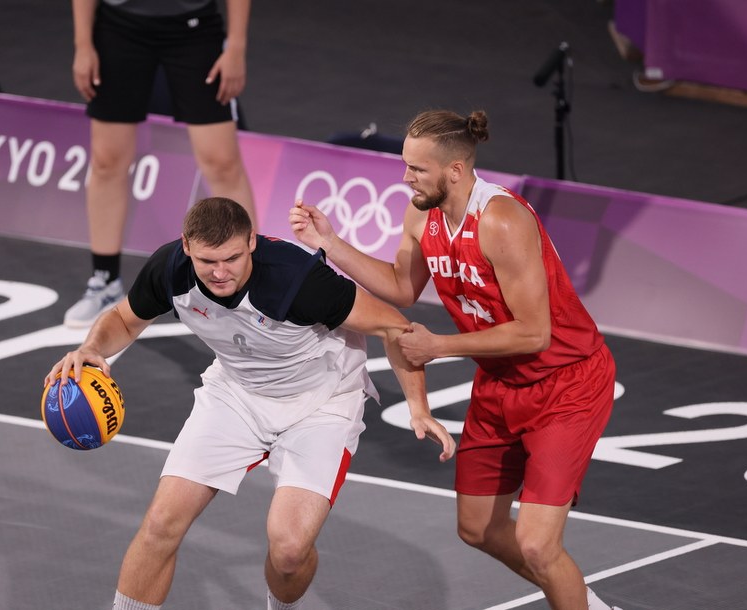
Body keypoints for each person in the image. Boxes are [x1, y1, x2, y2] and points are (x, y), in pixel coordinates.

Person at [45, 197, 455, 610]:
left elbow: (395, 327)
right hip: (236, 394)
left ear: (252, 243)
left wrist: (418, 406)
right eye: (207, 261)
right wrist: (92, 348)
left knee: (290, 551)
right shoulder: (171, 269)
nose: (220, 273)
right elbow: (123, 318)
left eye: (232, 258)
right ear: (186, 246)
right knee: (161, 524)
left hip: (322, 403)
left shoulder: (298, 280)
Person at [289, 109, 621, 610]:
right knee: (477, 528)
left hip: (566, 384)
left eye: (417, 169)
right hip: (500, 383)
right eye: (405, 165)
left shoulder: (503, 221)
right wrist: (330, 244)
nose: (405, 178)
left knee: (537, 543)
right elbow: (402, 288)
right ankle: (577, 595)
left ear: (456, 171)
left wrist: (440, 346)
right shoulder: (421, 215)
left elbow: (534, 332)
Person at [65, 0, 257, 328]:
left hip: (195, 31)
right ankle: (105, 281)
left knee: (222, 162)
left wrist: (236, 45)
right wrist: (83, 44)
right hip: (118, 28)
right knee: (107, 160)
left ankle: (252, 287)